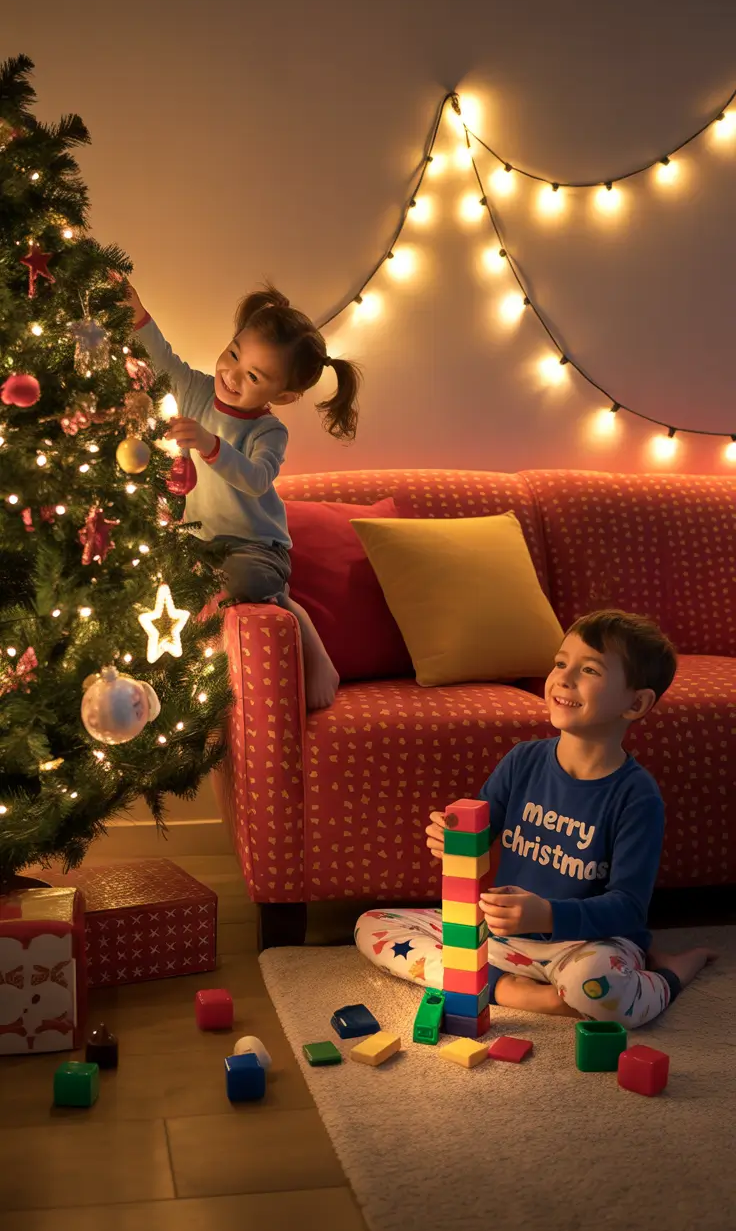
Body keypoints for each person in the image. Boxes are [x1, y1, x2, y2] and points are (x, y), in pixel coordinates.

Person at [358, 609, 716, 1026]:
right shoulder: (522, 760)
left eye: (590, 670)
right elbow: (479, 830)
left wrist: (547, 915)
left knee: (601, 990)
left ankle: (673, 971)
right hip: (501, 936)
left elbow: (628, 907)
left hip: (581, 944)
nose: (564, 678)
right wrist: (450, 838)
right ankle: (521, 992)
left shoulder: (636, 796)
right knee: (373, 926)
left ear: (635, 703)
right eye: (561, 663)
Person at [117, 277, 361, 710]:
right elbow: (160, 354)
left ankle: (300, 623)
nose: (231, 374)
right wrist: (136, 311)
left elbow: (256, 478)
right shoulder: (194, 391)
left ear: (282, 396)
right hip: (200, 541)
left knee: (247, 579)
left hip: (255, 548)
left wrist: (211, 446)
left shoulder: (268, 430)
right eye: (233, 354)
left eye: (252, 375)